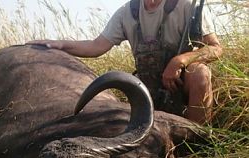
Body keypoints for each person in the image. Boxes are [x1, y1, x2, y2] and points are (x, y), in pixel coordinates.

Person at [27, 0, 223, 125]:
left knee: (200, 73)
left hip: (180, 86)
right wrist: (59, 44)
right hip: (148, 90)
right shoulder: (127, 12)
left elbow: (216, 48)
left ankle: (197, 145)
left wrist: (180, 60)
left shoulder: (188, 6)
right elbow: (96, 46)